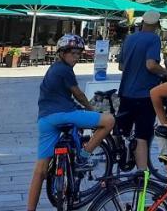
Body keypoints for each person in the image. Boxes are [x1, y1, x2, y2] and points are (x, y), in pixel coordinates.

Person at [25, 34, 115, 211]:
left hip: (45, 120)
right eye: (72, 53)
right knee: (109, 121)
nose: (76, 57)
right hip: (65, 115)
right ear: (62, 53)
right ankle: (83, 155)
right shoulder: (65, 70)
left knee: (40, 170)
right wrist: (90, 108)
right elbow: (78, 94)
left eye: (78, 53)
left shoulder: (54, 68)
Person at [117, 11, 167, 171]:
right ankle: (143, 173)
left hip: (126, 91)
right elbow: (151, 65)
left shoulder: (129, 38)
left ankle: (119, 157)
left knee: (122, 130)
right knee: (143, 133)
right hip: (144, 94)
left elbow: (121, 66)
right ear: (156, 25)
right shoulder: (154, 38)